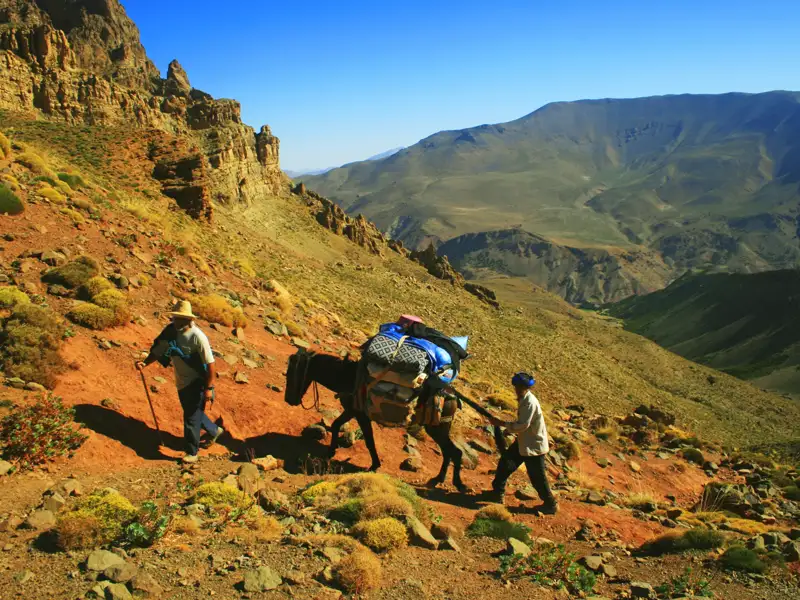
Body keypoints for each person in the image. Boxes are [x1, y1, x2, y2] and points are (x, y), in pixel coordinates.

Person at [137, 300, 223, 463]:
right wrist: (145, 362)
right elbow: (159, 349)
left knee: (190, 416)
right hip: (181, 380)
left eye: (179, 319)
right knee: (193, 411)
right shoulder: (170, 332)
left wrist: (209, 388)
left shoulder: (198, 337)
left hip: (198, 380)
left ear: (189, 320)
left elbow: (211, 365)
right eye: (175, 318)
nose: (175, 321)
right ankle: (214, 430)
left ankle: (192, 452)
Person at [487, 372, 558, 514]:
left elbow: (523, 425)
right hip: (524, 442)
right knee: (505, 463)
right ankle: (497, 493)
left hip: (533, 446)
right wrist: (509, 429)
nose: (517, 389)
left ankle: (550, 504)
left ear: (526, 387)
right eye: (517, 386)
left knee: (537, 478)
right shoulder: (524, 399)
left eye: (520, 387)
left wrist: (502, 424)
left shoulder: (529, 402)